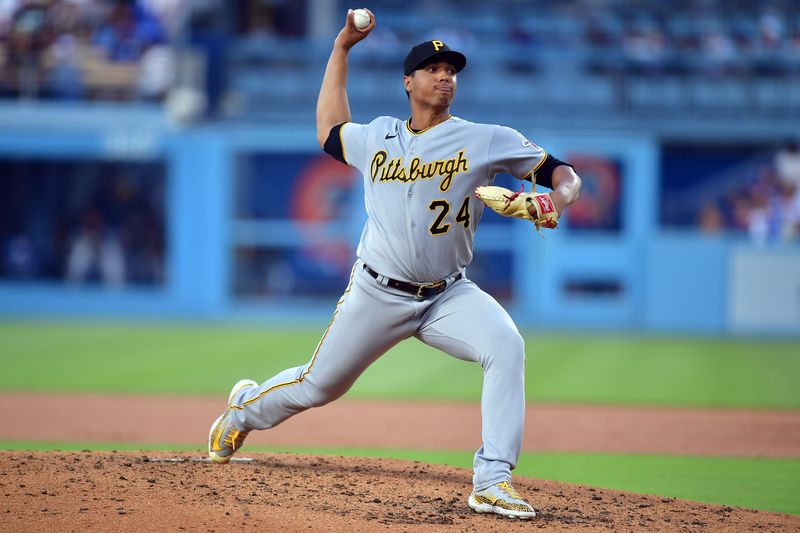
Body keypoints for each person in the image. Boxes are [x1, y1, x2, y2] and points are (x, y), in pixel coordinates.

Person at [208, 9, 582, 521]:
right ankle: (243, 410)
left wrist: (557, 200)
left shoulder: (485, 138)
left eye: (452, 70)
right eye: (434, 69)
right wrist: (340, 48)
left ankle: (492, 479)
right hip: (377, 292)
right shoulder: (378, 136)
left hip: (448, 294)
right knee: (319, 386)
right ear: (408, 82)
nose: (446, 76)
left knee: (506, 346)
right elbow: (328, 130)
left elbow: (562, 172)